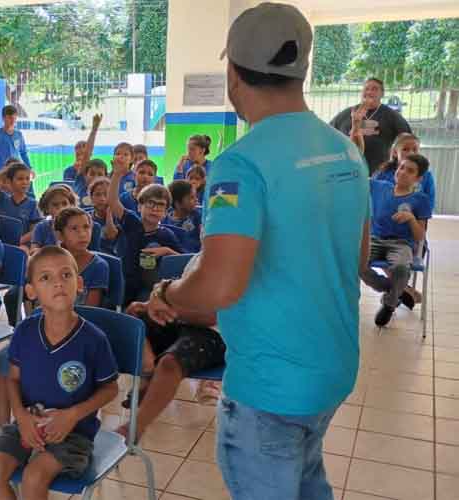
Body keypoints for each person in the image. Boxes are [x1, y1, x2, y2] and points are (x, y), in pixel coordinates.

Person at [147, 5, 369, 499]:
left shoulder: (238, 166)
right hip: (332, 367)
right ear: (302, 68)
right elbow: (357, 258)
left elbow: (221, 285)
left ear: (233, 73)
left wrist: (169, 290)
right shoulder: (345, 150)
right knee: (309, 481)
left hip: (272, 385)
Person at [0, 245, 119, 500]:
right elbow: (13, 378)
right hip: (28, 424)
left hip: (73, 432)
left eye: (65, 275)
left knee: (34, 478)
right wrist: (20, 416)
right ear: (31, 291)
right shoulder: (25, 330)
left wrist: (72, 415)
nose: (58, 284)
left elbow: (111, 389)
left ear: (79, 283)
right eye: (46, 277)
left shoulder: (93, 339)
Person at [116, 254, 226, 426]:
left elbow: (215, 317)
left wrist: (171, 311)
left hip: (214, 334)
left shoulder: (235, 266)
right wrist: (148, 306)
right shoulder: (198, 259)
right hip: (182, 322)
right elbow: (178, 298)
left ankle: (134, 428)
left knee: (170, 362)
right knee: (134, 316)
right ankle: (148, 369)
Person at [361, 153, 431, 326]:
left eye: (410, 171)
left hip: (401, 244)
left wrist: (411, 219)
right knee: (356, 263)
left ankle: (389, 304)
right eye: (401, 167)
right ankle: (392, 290)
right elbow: (358, 175)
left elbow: (420, 236)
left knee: (401, 269)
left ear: (419, 178)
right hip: (375, 240)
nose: (403, 172)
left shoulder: (420, 200)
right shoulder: (379, 187)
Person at [108, 160, 181, 304]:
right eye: (150, 203)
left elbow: (183, 259)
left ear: (166, 213)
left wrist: (166, 251)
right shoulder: (132, 222)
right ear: (139, 207)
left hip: (149, 290)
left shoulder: (166, 235)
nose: (155, 209)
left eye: (160, 206)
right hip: (125, 283)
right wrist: (117, 174)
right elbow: (112, 201)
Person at [330, 77, 412, 175]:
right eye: (366, 89)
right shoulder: (348, 113)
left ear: (382, 94)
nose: (369, 92)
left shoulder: (392, 116)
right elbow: (328, 133)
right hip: (349, 171)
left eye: (374, 89)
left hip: (379, 173)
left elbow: (408, 140)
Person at [55, 207, 109, 307]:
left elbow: (90, 310)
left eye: (86, 227)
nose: (82, 234)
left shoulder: (98, 266)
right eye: (74, 228)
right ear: (60, 235)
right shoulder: (50, 261)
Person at [373, 132, 436, 214]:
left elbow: (429, 204)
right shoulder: (383, 173)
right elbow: (372, 198)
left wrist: (414, 219)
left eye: (415, 149)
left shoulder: (426, 175)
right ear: (395, 152)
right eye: (405, 149)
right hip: (385, 220)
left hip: (413, 221)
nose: (411, 153)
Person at [0, 162, 42, 246]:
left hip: (21, 245)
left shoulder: (32, 204)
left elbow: (34, 231)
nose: (24, 182)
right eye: (20, 179)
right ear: (9, 182)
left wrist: (19, 241)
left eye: (27, 178)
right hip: (0, 243)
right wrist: (6, 169)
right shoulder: (2, 198)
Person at [30, 185, 77, 250]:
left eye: (64, 204)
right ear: (46, 208)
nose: (61, 208)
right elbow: (33, 252)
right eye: (55, 205)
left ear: (71, 205)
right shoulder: (41, 227)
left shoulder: (79, 225)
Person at [0, 105, 31, 175]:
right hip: (2, 172)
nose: (13, 120)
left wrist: (30, 168)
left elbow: (23, 153)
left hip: (16, 171)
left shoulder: (18, 134)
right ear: (3, 118)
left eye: (15, 118)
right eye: (10, 118)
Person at [62, 114, 102, 186]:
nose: (80, 150)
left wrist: (94, 130)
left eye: (84, 146)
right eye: (78, 147)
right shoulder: (68, 171)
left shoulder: (96, 168)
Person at [166, 180, 202, 253]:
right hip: (174, 258)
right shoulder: (165, 219)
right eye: (191, 197)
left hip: (193, 257)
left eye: (195, 196)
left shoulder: (196, 216)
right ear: (177, 203)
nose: (196, 200)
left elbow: (203, 238)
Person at [87, 177, 120, 256]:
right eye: (98, 194)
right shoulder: (85, 217)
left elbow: (111, 235)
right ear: (91, 198)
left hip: (113, 258)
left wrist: (109, 214)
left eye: (106, 194)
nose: (102, 199)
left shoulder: (119, 217)